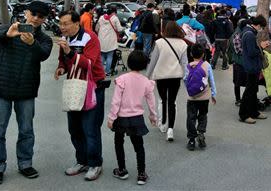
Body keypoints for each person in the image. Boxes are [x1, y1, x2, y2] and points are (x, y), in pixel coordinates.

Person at [0, 1, 53, 185]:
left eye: (41, 16)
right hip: (1, 88)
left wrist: (32, 43)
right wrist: (7, 34)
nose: (36, 19)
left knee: (26, 130)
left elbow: (43, 55)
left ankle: (25, 163)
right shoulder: (11, 28)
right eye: (34, 14)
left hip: (26, 90)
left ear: (45, 19)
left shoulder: (44, 39)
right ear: (26, 13)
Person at [55, 10, 107, 181]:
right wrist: (61, 67)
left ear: (77, 24)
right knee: (74, 127)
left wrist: (70, 52)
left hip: (93, 87)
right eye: (60, 23)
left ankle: (95, 163)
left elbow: (89, 64)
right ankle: (82, 160)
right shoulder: (66, 39)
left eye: (66, 23)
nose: (62, 27)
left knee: (90, 128)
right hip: (75, 87)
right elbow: (63, 60)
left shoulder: (90, 38)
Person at [107, 50, 157, 185]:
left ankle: (122, 170)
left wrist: (111, 118)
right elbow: (151, 101)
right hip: (137, 117)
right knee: (139, 146)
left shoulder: (122, 79)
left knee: (119, 143)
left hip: (121, 117)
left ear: (128, 63)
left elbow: (116, 101)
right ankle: (141, 173)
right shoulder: (146, 82)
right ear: (144, 65)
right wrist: (153, 116)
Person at [145, 21, 188, 142]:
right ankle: (170, 129)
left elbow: (153, 61)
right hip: (175, 76)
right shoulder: (183, 44)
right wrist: (185, 78)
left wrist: (147, 76)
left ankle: (162, 123)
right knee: (172, 102)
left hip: (161, 76)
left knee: (162, 99)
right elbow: (184, 63)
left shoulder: (159, 43)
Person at [184, 44, 217, 151]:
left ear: (191, 54)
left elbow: (185, 79)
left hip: (192, 98)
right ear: (203, 54)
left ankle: (192, 139)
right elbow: (211, 81)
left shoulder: (188, 66)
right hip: (204, 97)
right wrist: (213, 94)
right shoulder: (207, 65)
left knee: (191, 117)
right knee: (203, 115)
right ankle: (201, 132)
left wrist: (190, 89)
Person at [239, 15, 268, 124]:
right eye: (262, 27)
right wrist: (261, 47)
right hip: (252, 66)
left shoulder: (248, 32)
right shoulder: (250, 35)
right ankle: (244, 114)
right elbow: (252, 52)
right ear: (259, 25)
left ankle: (254, 112)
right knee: (249, 91)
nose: (261, 30)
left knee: (253, 91)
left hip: (252, 66)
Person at [95, 6, 124, 76]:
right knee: (109, 56)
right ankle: (107, 72)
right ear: (114, 12)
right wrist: (123, 28)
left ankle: (101, 71)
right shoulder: (115, 18)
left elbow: (96, 28)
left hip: (101, 39)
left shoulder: (101, 17)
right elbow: (119, 29)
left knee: (102, 56)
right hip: (111, 40)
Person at [229, 19, 248, 106]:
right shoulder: (237, 35)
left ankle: (242, 99)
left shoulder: (240, 33)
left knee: (240, 81)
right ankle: (238, 99)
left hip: (240, 61)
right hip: (239, 62)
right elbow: (239, 51)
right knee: (238, 82)